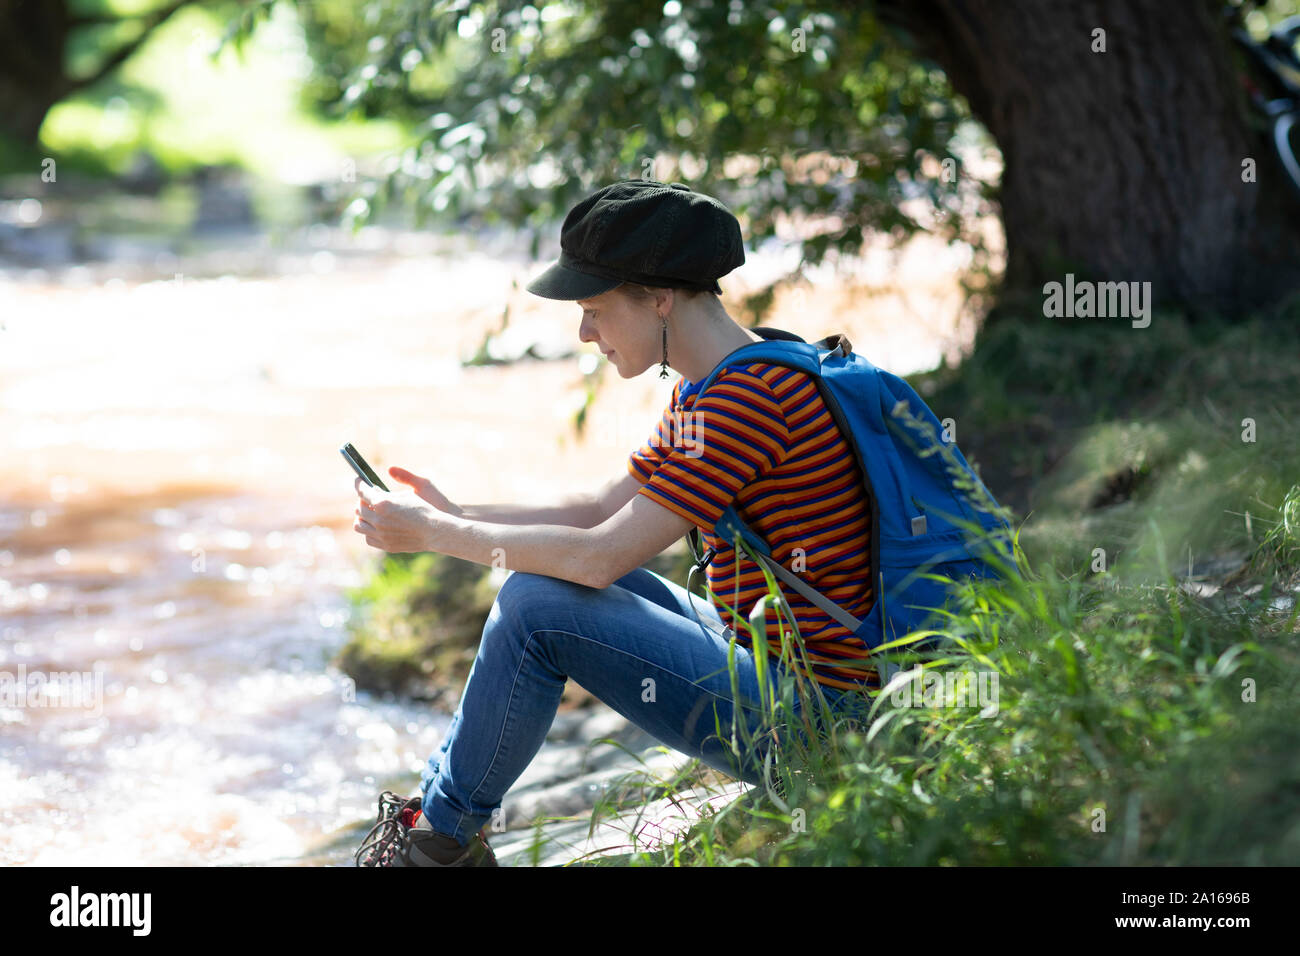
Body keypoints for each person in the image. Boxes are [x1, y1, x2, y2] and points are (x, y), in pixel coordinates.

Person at [350, 179, 880, 867]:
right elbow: (601, 510)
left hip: (824, 723)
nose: (584, 332)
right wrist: (455, 515)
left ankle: (438, 845)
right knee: (546, 586)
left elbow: (596, 556)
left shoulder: (749, 402)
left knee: (535, 605)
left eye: (595, 309)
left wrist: (437, 538)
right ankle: (438, 821)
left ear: (659, 298)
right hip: (784, 669)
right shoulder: (731, 376)